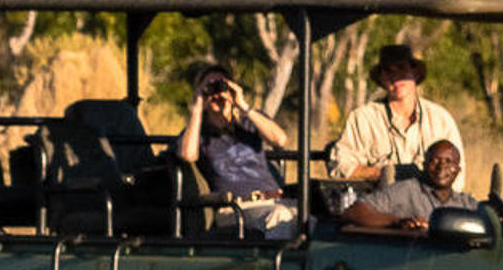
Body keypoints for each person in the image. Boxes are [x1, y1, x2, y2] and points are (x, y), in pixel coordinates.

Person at [174, 64, 298, 238]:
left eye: (221, 86)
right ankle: (276, 257)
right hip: (235, 208)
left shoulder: (249, 122)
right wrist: (197, 109)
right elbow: (187, 155)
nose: (216, 94)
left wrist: (243, 105)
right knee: (280, 217)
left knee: (315, 222)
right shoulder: (198, 132)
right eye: (209, 88)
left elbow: (280, 139)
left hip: (276, 200)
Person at [329, 42, 465, 193]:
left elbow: (458, 177)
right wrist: (380, 174)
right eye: (389, 71)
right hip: (379, 202)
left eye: (402, 68)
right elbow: (339, 165)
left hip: (430, 203)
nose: (396, 77)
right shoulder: (363, 118)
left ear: (415, 73)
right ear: (381, 78)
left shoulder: (440, 119)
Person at [339, 140, 463, 233]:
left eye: (448, 162)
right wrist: (397, 222)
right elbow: (353, 212)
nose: (441, 167)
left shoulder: (464, 203)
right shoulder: (406, 190)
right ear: (424, 165)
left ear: (458, 170)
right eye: (435, 161)